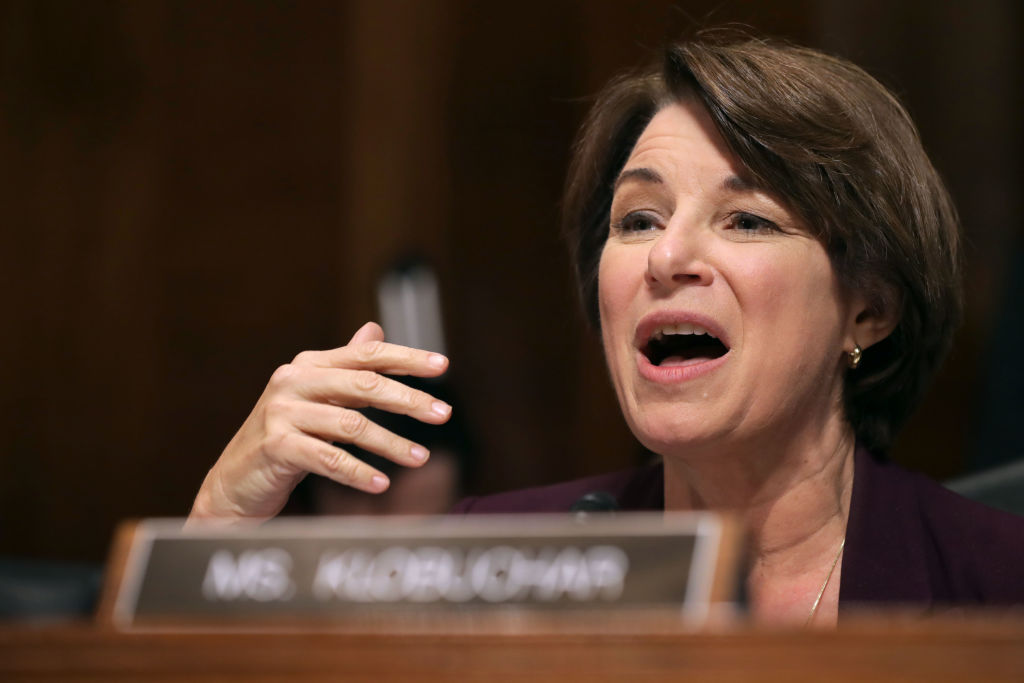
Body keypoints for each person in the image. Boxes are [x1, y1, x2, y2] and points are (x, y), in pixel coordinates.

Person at [188, 32, 1024, 625]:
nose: (667, 256)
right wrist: (219, 526)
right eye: (638, 219)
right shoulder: (489, 558)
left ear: (868, 308)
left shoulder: (995, 580)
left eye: (746, 220)